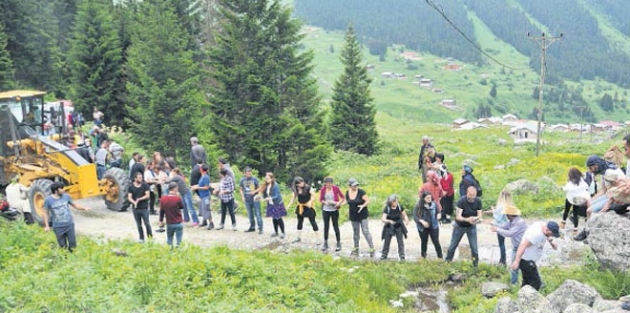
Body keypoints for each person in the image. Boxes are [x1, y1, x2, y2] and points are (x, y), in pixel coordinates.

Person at [575, 155, 625, 241]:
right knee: (589, 204)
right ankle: (588, 230)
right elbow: (603, 190)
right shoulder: (603, 171)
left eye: (590, 168)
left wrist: (608, 203)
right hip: (609, 194)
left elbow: (619, 190)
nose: (590, 171)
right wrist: (591, 200)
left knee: (589, 210)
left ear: (596, 166)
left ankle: (587, 232)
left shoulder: (610, 172)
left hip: (617, 197)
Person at [510, 221, 560, 290]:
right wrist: (516, 261)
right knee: (536, 283)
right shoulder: (536, 234)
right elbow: (523, 245)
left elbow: (552, 243)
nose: (552, 235)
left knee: (527, 282)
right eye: (551, 234)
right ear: (547, 230)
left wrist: (550, 240)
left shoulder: (543, 226)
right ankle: (530, 299)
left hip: (528, 259)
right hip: (526, 260)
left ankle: (521, 298)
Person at [42, 182, 90, 252]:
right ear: (56, 190)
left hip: (69, 225)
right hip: (58, 227)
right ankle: (65, 259)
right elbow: (45, 213)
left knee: (73, 245)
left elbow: (74, 205)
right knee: (62, 246)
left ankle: (73, 259)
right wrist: (46, 226)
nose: (63, 190)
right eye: (61, 188)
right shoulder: (48, 200)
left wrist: (84, 208)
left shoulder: (66, 197)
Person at [445, 186, 483, 267]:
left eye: (474, 195)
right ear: (467, 193)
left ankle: (475, 265)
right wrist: (467, 219)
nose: (472, 197)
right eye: (470, 195)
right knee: (452, 246)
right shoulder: (461, 201)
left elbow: (480, 215)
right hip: (459, 226)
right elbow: (458, 217)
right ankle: (447, 262)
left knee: (474, 248)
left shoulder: (478, 201)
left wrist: (477, 219)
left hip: (471, 227)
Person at [490, 205, 527, 285]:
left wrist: (497, 229)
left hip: (523, 248)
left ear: (510, 215)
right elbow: (503, 226)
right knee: (514, 267)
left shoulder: (520, 223)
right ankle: (514, 283)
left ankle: (536, 283)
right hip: (516, 247)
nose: (505, 216)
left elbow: (510, 233)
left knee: (527, 267)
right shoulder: (511, 222)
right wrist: (491, 223)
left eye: (506, 214)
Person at [343, 178, 374, 257]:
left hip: (362, 214)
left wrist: (363, 206)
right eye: (354, 185)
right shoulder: (347, 192)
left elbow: (367, 201)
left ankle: (371, 247)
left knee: (365, 231)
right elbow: (347, 201)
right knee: (356, 232)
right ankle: (356, 247)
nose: (355, 186)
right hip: (353, 215)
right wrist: (339, 204)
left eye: (356, 185)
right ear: (350, 186)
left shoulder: (361, 192)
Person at [483, 189, 514, 265]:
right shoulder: (510, 205)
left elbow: (498, 217)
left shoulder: (501, 206)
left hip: (500, 226)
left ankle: (503, 261)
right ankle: (505, 259)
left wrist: (493, 212)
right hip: (508, 225)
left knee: (501, 244)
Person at [288, 176, 319, 243]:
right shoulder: (295, 189)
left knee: (313, 222)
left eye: (302, 182)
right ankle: (298, 238)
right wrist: (288, 206)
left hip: (308, 207)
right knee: (299, 222)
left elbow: (313, 195)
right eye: (299, 183)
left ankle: (318, 239)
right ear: (296, 184)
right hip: (300, 207)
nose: (301, 183)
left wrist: (310, 202)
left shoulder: (308, 187)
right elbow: (293, 199)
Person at [413, 191, 442, 259]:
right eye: (427, 198)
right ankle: (423, 256)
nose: (429, 199)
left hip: (433, 225)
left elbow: (438, 212)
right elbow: (415, 217)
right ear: (423, 198)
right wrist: (422, 221)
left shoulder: (434, 204)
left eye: (430, 198)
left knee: (436, 241)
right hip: (422, 227)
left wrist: (438, 215)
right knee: (424, 241)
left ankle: (440, 256)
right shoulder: (418, 206)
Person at [319, 176, 345, 252]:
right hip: (326, 210)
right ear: (325, 184)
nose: (329, 186)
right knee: (326, 226)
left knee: (335, 226)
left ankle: (338, 243)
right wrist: (325, 202)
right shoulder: (323, 189)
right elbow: (321, 199)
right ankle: (325, 243)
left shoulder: (336, 188)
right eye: (327, 184)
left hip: (334, 209)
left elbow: (343, 197)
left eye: (330, 184)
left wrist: (338, 203)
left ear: (332, 184)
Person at [380, 194, 409, 261]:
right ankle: (384, 255)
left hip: (398, 225)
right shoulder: (387, 208)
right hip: (389, 226)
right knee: (387, 241)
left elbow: (404, 215)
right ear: (391, 202)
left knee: (400, 241)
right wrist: (389, 221)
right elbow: (383, 219)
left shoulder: (399, 206)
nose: (396, 203)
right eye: (394, 201)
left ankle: (402, 256)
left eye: (396, 201)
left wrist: (406, 220)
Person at [561, 167, 589, 232]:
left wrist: (562, 188)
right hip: (577, 200)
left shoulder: (570, 182)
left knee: (566, 210)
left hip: (570, 199)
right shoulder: (582, 180)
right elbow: (586, 186)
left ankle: (563, 223)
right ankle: (575, 230)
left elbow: (566, 189)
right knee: (575, 214)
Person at [127, 172, 152, 243]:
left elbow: (147, 195)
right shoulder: (131, 187)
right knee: (139, 224)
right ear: (135, 179)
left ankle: (150, 237)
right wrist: (134, 202)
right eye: (139, 178)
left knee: (147, 223)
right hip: (135, 209)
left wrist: (139, 199)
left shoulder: (145, 185)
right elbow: (129, 197)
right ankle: (141, 238)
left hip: (144, 208)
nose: (141, 179)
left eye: (141, 177)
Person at [159, 182, 185, 247]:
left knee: (169, 240)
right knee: (179, 241)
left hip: (169, 222)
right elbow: (182, 207)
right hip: (178, 222)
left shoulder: (163, 199)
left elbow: (161, 211)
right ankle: (179, 252)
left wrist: (161, 221)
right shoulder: (177, 198)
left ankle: (169, 252)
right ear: (175, 189)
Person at [261, 172, 287, 238]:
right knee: (274, 218)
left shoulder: (275, 185)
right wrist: (263, 198)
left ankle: (283, 232)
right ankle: (276, 232)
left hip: (277, 203)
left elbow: (277, 195)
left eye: (268, 178)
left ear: (272, 178)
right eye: (266, 178)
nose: (267, 179)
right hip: (270, 204)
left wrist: (270, 198)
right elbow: (264, 193)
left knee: (278, 218)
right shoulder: (266, 185)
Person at [240, 167, 263, 234]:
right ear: (245, 173)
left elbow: (260, 187)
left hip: (255, 198)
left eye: (250, 173)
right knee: (250, 214)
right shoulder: (242, 180)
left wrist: (255, 191)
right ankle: (252, 227)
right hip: (247, 199)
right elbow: (241, 189)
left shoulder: (254, 179)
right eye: (247, 173)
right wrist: (242, 196)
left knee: (258, 214)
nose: (249, 174)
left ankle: (260, 228)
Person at [191, 165, 214, 230]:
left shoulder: (206, 177)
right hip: (202, 196)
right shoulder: (202, 176)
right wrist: (194, 186)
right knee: (203, 208)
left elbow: (206, 187)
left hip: (206, 196)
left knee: (207, 209)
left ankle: (211, 223)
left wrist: (197, 187)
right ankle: (204, 221)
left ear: (201, 169)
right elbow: (200, 184)